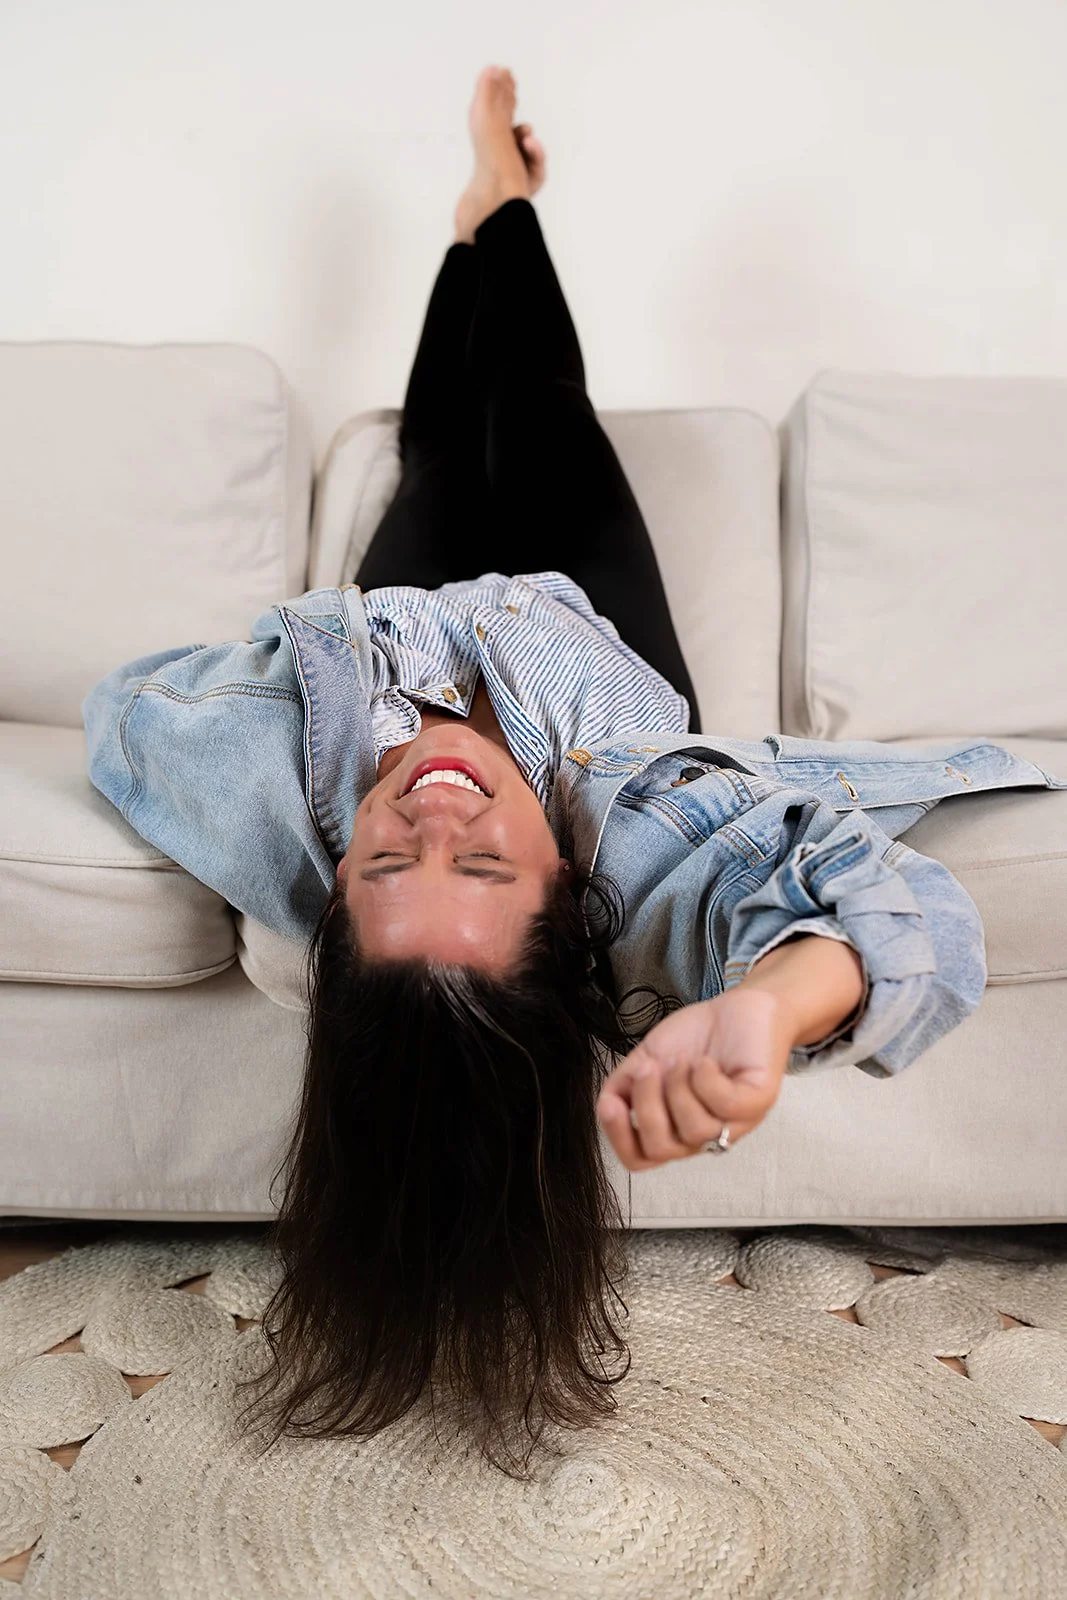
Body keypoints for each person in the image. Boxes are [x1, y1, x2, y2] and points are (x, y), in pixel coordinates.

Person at [82, 66, 1066, 1480]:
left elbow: (126, 708)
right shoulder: (646, 861)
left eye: (384, 859)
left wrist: (338, 695)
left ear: (335, 886)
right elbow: (906, 922)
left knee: (434, 449)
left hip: (414, 614)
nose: (431, 809)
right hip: (580, 625)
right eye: (483, 861)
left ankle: (470, 221)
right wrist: (771, 1006)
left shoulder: (265, 792)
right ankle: (507, 203)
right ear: (568, 886)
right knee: (541, 403)